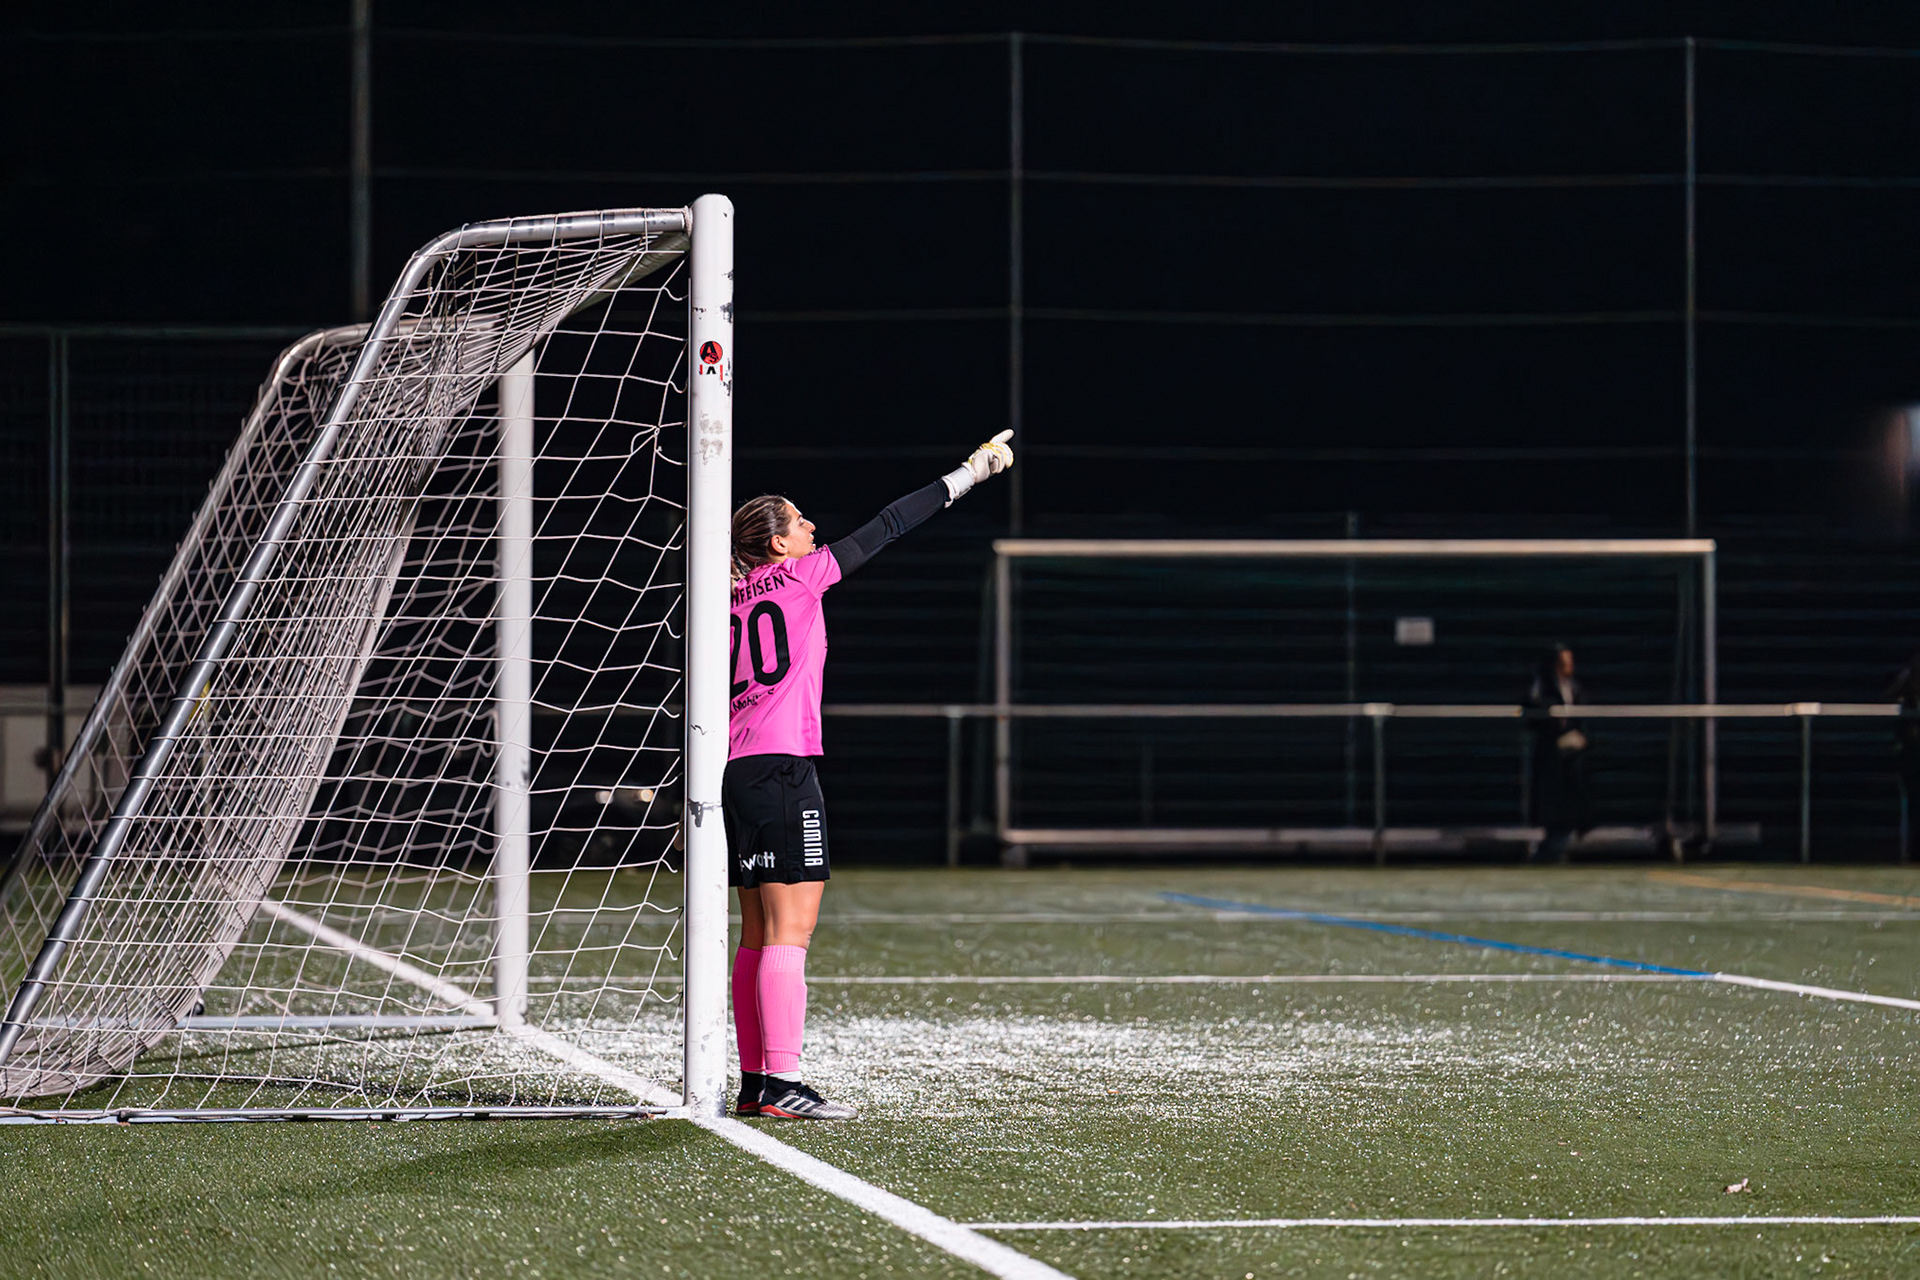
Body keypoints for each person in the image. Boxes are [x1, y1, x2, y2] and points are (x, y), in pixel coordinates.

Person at [726, 430, 1014, 1119]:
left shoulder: (725, 599)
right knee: (789, 931)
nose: (813, 528)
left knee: (757, 933)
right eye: (800, 522)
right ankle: (783, 1083)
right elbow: (888, 525)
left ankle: (756, 1081)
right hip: (785, 768)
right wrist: (968, 475)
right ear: (777, 544)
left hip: (736, 769)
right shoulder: (800, 575)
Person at [1525, 644, 1592, 864]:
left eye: (1570, 662)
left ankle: (1570, 833)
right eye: (1564, 663)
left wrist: (1579, 735)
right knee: (1550, 797)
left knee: (1574, 793)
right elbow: (1532, 713)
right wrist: (1555, 732)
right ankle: (1551, 840)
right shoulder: (1542, 686)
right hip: (1550, 752)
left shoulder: (1576, 687)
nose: (1568, 667)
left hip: (1572, 752)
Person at [1881, 652, 1920, 860]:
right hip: (1913, 752)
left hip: (1912, 750)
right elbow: (1888, 697)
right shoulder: (1907, 685)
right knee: (1914, 802)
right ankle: (1913, 850)